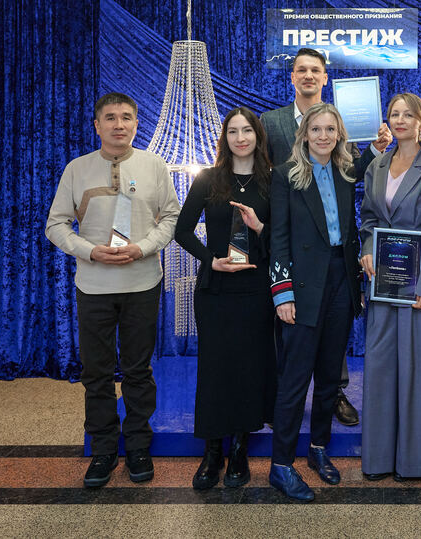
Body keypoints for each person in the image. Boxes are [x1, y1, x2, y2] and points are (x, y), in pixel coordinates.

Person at [45, 92, 180, 488]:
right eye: (110, 118)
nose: (119, 124)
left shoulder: (154, 166)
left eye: (126, 117)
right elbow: (56, 224)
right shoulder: (77, 169)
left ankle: (138, 445)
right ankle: (104, 448)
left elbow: (172, 216)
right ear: (97, 125)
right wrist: (89, 251)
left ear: (137, 123)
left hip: (142, 282)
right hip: (93, 286)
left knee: (138, 370)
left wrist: (144, 247)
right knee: (97, 372)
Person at [260, 48, 392, 426]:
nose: (307, 75)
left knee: (334, 336)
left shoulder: (343, 119)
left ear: (324, 78)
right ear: (292, 77)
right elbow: (263, 172)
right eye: (301, 69)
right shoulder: (271, 121)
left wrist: (376, 147)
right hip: (293, 242)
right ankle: (285, 401)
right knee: (293, 339)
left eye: (314, 70)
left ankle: (333, 393)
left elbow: (349, 172)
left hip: (335, 254)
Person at [174, 107, 276, 490]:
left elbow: (282, 237)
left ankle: (239, 450)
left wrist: (259, 227)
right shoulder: (208, 178)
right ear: (225, 138)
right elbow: (182, 231)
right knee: (215, 370)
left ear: (257, 136)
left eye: (247, 130)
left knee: (249, 369)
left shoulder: (272, 181)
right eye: (233, 131)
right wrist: (209, 260)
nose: (240, 138)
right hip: (215, 290)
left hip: (256, 290)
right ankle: (212, 451)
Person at [268, 103, 363, 501]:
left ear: (339, 135)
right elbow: (278, 237)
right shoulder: (286, 175)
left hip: (341, 282)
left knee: (328, 378)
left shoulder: (346, 173)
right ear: (304, 134)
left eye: (330, 129)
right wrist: (282, 292)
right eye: (316, 129)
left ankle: (318, 448)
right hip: (303, 286)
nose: (323, 136)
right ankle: (280, 465)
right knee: (295, 380)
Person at [359, 93, 421, 481]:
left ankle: (412, 464)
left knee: (414, 373)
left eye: (408, 115)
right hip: (383, 282)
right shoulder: (377, 165)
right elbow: (368, 220)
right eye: (394, 114)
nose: (400, 120)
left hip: (420, 286)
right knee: (379, 370)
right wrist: (367, 248)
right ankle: (377, 461)